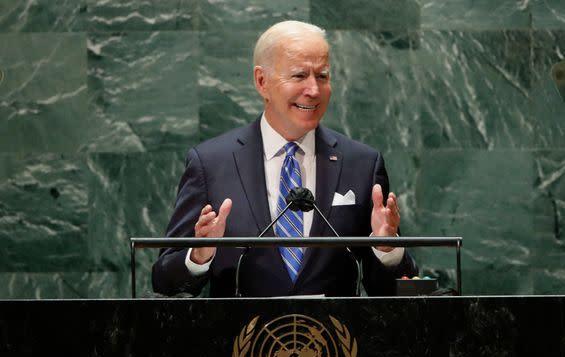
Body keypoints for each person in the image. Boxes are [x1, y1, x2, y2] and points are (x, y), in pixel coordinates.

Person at [152, 20, 417, 297]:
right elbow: (163, 284)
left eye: (323, 76)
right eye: (300, 76)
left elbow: (400, 291)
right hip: (241, 337)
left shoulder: (362, 164)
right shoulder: (211, 164)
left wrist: (386, 249)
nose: (314, 90)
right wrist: (199, 255)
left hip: (334, 337)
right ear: (262, 82)